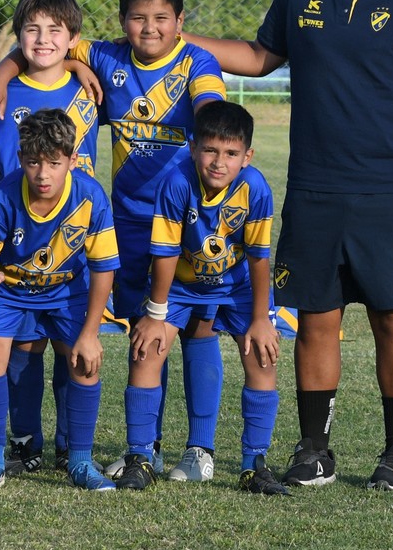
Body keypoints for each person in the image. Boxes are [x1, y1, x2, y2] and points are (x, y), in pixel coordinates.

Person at [188, 0, 393, 491]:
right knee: (315, 317)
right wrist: (179, 37)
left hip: (389, 188)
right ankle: (314, 450)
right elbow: (260, 57)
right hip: (313, 188)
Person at [0, 0, 225, 477]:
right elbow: (41, 44)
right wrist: (11, 71)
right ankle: (142, 446)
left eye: (161, 18)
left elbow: (211, 110)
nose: (149, 27)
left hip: (187, 222)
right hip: (123, 222)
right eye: (138, 17)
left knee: (198, 326)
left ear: (180, 21)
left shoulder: (198, 63)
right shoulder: (102, 57)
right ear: (122, 22)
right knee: (137, 329)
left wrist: (215, 133)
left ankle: (199, 447)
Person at [117, 100, 288, 495]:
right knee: (147, 349)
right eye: (210, 150)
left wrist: (261, 318)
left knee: (262, 355)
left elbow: (261, 257)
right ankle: (141, 457)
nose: (218, 162)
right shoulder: (177, 182)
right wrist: (157, 314)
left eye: (230, 153)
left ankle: (254, 464)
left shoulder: (256, 188)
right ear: (193, 148)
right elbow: (165, 253)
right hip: (178, 284)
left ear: (247, 157)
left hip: (237, 286)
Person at [0, 109, 120, 492]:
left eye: (53, 163)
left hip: (69, 291)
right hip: (12, 291)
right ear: (20, 159)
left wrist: (91, 331)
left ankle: (80, 461)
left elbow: (103, 268)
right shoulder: (4, 196)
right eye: (33, 162)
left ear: (72, 160)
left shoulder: (90, 197)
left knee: (84, 360)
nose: (43, 174)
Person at [0, 0, 101, 476]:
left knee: (72, 348)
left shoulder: (92, 88)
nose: (43, 39)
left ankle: (72, 447)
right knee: (21, 348)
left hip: (75, 244)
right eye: (32, 29)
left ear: (73, 39)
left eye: (56, 31)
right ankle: (24, 440)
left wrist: (76, 65)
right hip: (16, 245)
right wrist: (0, 72)